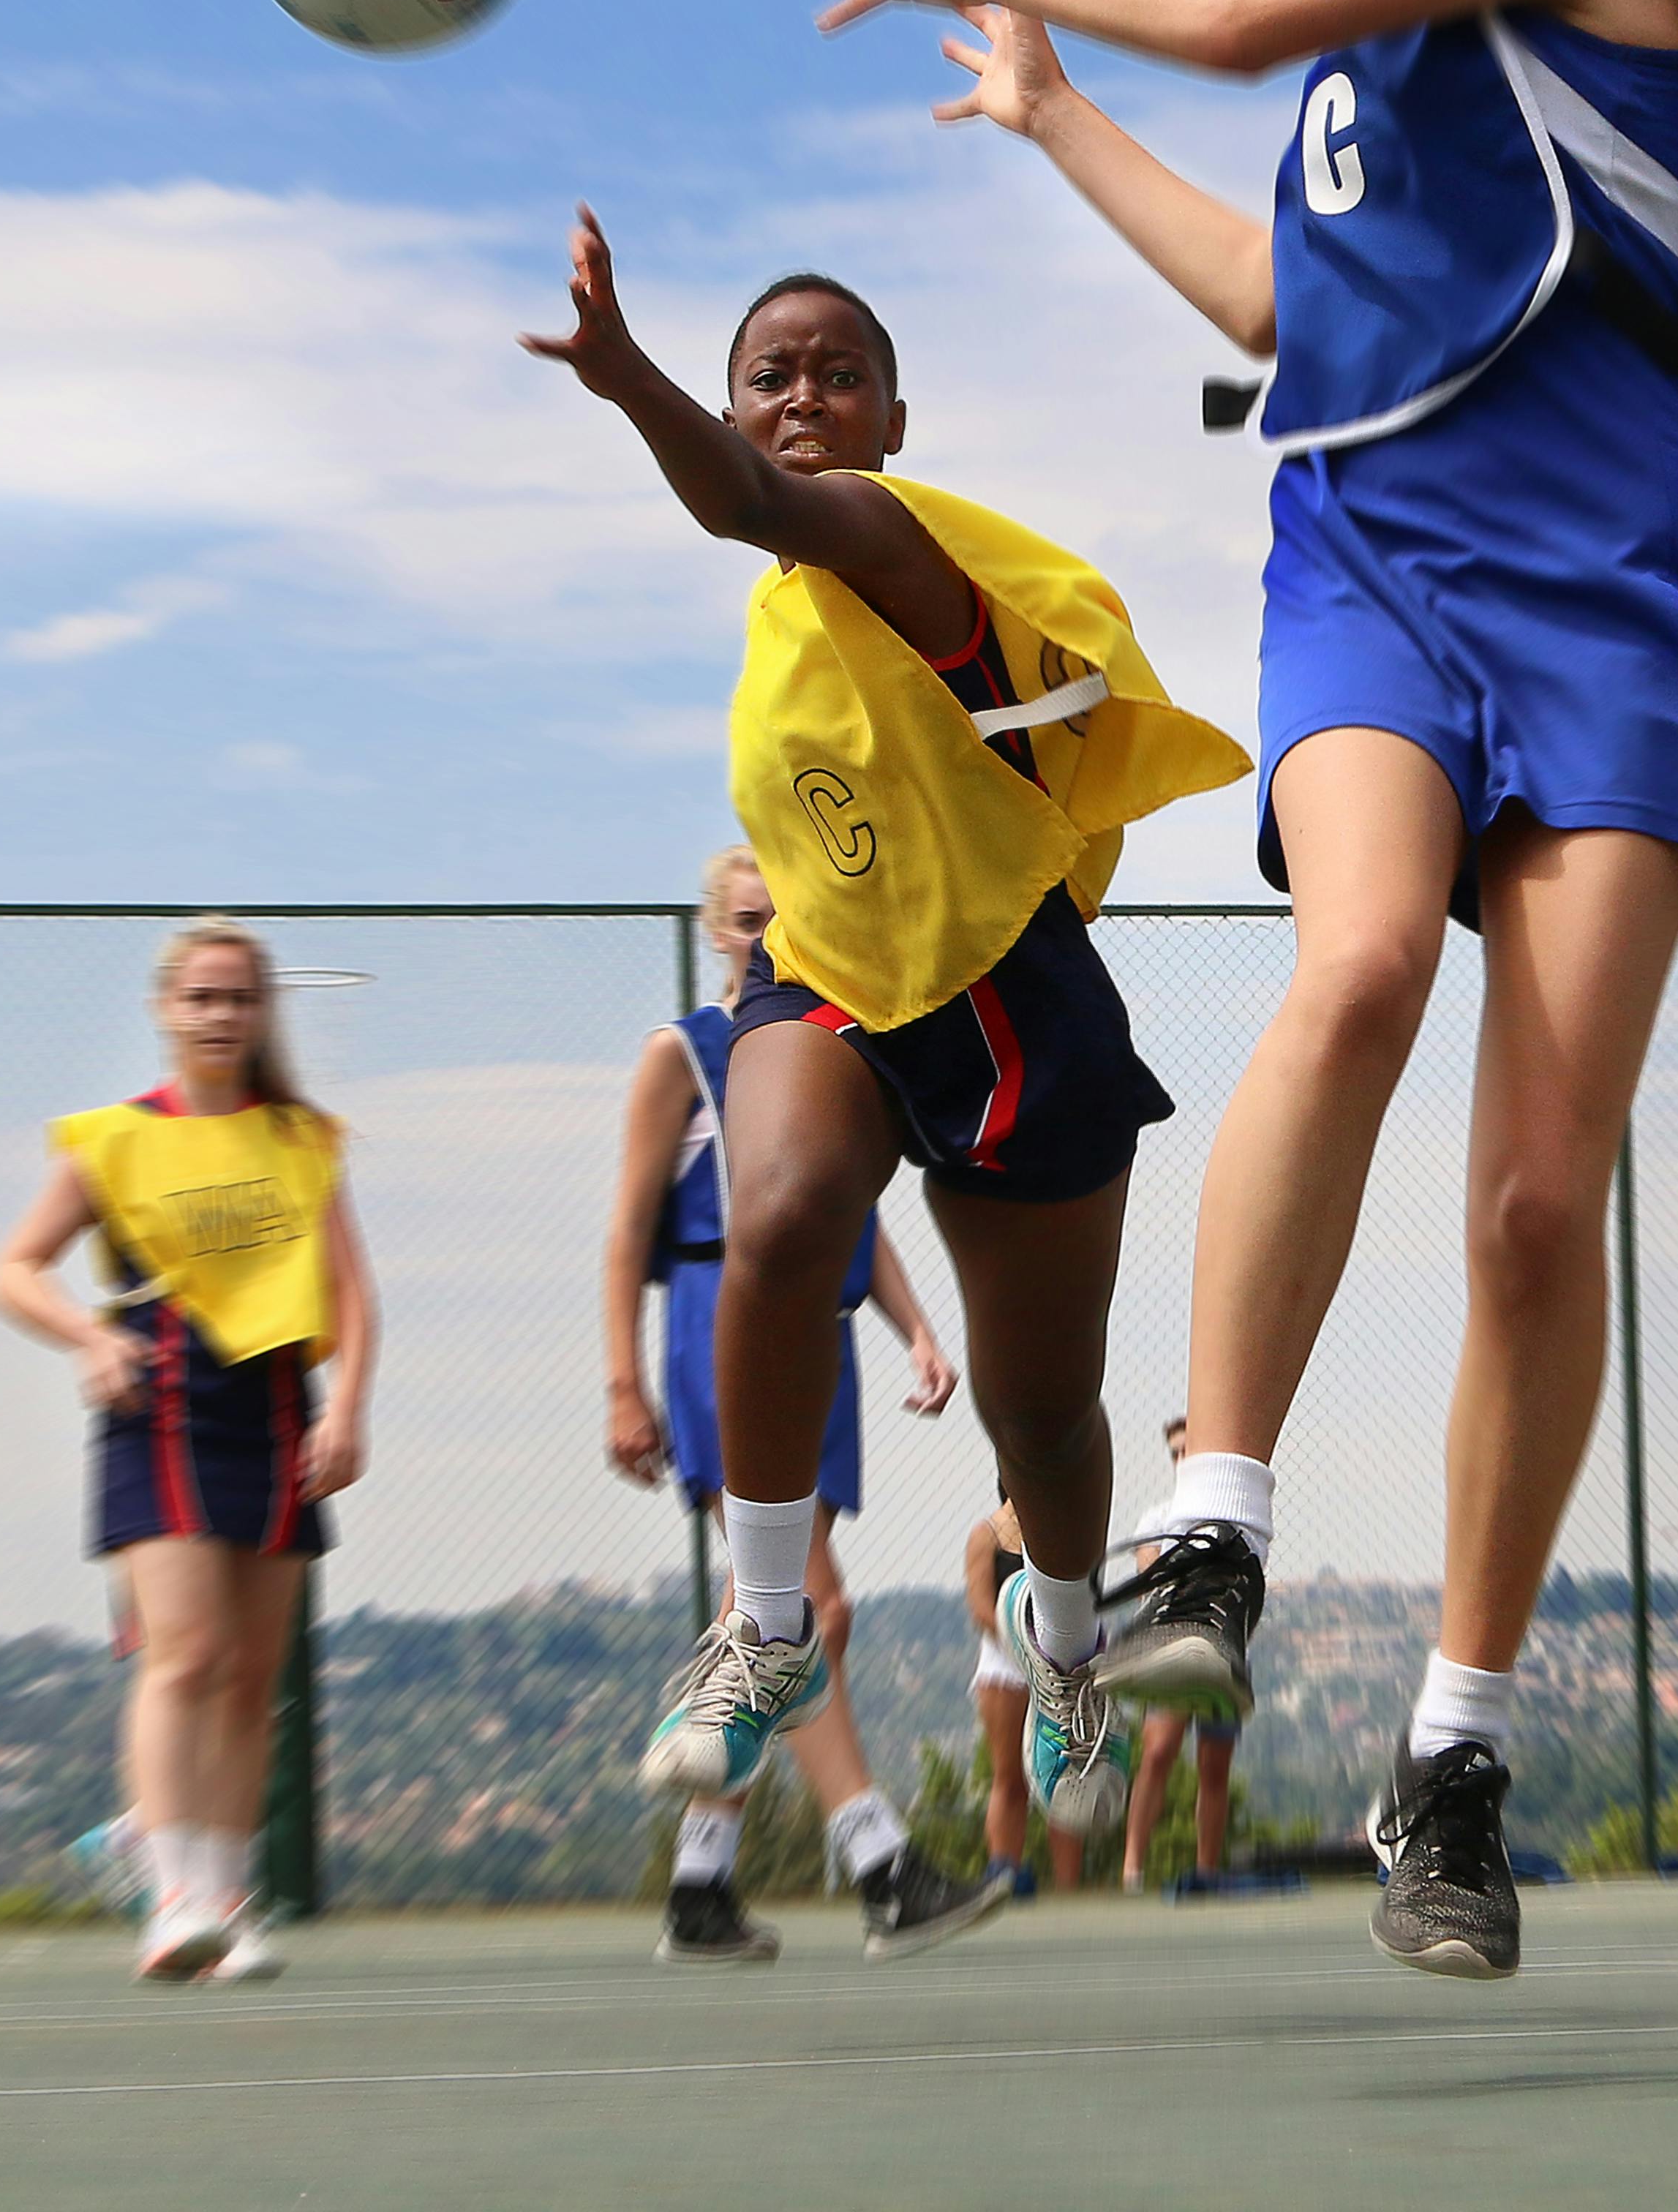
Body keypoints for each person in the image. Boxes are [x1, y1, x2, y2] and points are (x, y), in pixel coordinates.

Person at [794, 0, 1678, 1979]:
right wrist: (1057, 111)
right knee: (1362, 952)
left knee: (1531, 1197)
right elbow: (1287, 311)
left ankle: (1457, 1744)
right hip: (1365, 553)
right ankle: (1216, 1514)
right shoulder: (1375, 72)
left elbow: (1254, 1)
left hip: (1603, 589)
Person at [523, 213, 1247, 1964]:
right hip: (834, 986)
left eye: (834, 372)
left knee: (1039, 1418)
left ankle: (1066, 1638)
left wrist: (626, 382)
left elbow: (749, 501)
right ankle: (763, 1627)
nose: (797, 396)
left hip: (1010, 997)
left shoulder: (894, 541)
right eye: (762, 374)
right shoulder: (780, 625)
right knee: (773, 1212)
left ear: (893, 420)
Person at [0, 919, 378, 1984]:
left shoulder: (302, 1137)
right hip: (158, 1401)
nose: (220, 1017)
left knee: (254, 1680)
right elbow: (15, 1270)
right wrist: (86, 1334)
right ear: (166, 1011)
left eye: (238, 1000)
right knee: (187, 1654)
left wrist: (346, 1411)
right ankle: (171, 1900)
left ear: (263, 1014)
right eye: (200, 999)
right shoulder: (111, 1139)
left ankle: (228, 1901)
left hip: (279, 1407)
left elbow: (352, 1289)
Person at [599, 841, 962, 1963]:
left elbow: (854, 1211)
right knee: (812, 1608)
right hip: (722, 1319)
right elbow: (624, 1230)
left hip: (824, 1331)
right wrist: (623, 1381)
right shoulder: (686, 1055)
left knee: (777, 1621)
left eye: (785, 919)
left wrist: (916, 1329)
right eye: (750, 920)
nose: (765, 937)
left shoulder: (829, 1042)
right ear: (718, 930)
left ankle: (701, 1885)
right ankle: (880, 1860)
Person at [1118, 1418, 1239, 1893]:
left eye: (1189, 1448)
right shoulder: (1156, 1518)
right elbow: (1152, 1577)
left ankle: (1208, 1870)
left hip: (1224, 1651)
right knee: (1159, 1752)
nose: (1181, 1458)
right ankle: (1132, 1870)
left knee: (1215, 1765)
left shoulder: (1230, 1517)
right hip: (1171, 1651)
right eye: (1174, 1451)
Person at [960, 1493, 1083, 1900]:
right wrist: (1020, 1643)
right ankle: (1004, 1874)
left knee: (1064, 1777)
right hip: (1005, 1666)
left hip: (1057, 1666)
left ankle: (1069, 1887)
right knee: (1009, 1776)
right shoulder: (988, 1535)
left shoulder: (1062, 1529)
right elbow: (980, 1605)